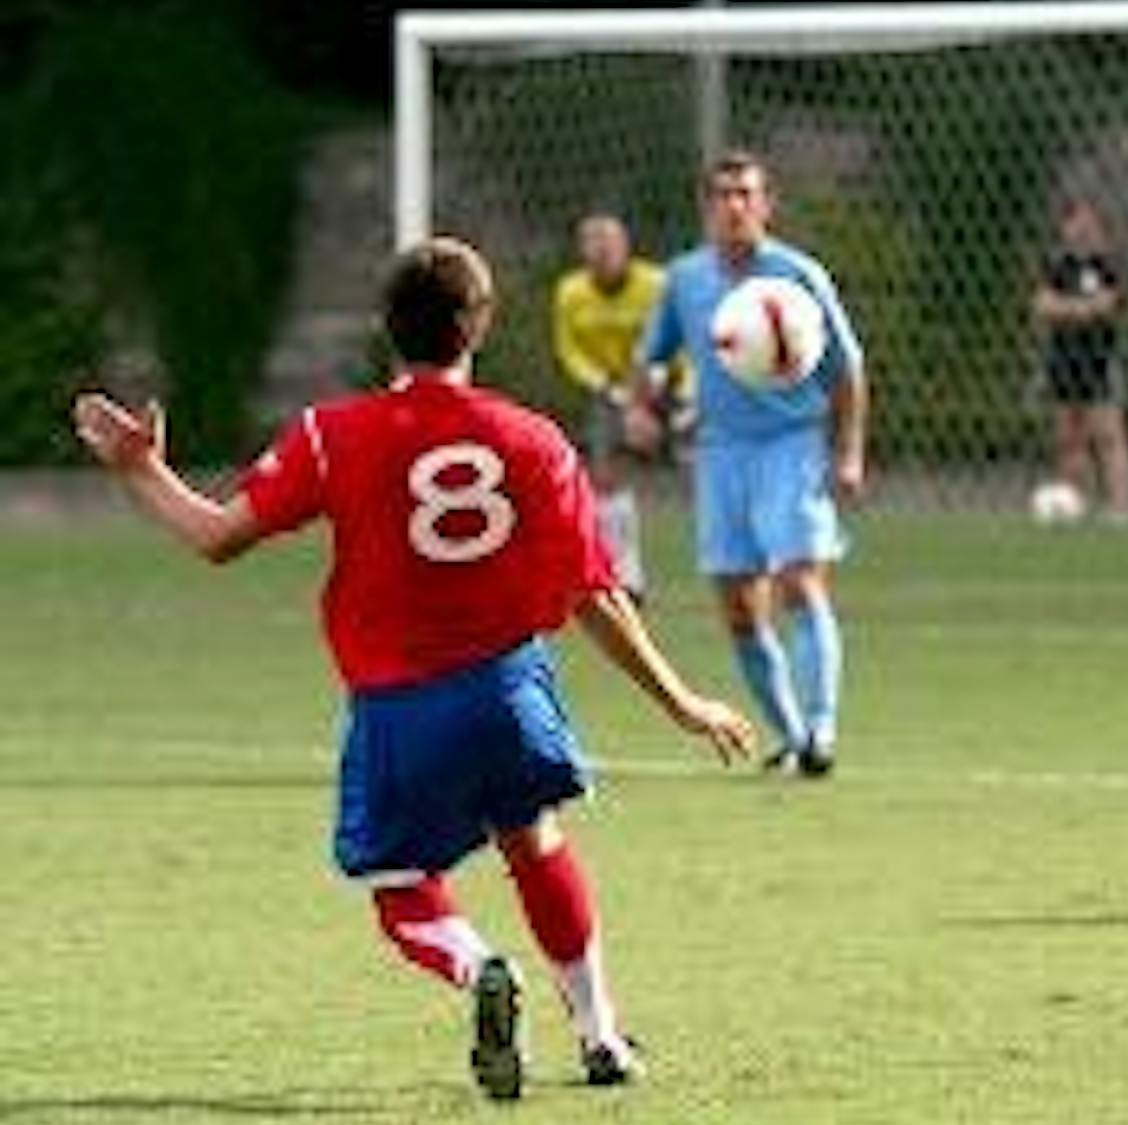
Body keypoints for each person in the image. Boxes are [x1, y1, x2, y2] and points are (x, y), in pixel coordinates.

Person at [72, 236, 754, 1101]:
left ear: (385, 330)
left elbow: (216, 537)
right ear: (483, 327)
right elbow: (596, 595)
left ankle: (481, 969)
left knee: (401, 888)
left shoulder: (331, 436)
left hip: (399, 708)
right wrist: (683, 700)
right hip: (512, 693)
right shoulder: (536, 440)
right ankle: (602, 1033)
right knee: (536, 841)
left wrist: (141, 468)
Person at [633, 149, 868, 778]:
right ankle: (791, 737)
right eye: (722, 195)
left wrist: (847, 452)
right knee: (739, 606)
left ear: (766, 205)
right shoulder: (684, 279)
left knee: (798, 580)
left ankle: (821, 728)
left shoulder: (798, 275)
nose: (734, 206)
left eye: (746, 194)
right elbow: (652, 359)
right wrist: (643, 403)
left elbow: (847, 369)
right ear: (706, 208)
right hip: (720, 453)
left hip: (792, 444)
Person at [552, 211, 692, 602]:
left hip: (670, 384)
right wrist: (611, 389)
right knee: (608, 477)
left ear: (625, 247)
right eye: (592, 243)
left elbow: (680, 337)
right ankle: (626, 577)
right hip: (610, 390)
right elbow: (569, 350)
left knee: (706, 463)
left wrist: (670, 392)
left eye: (609, 243)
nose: (602, 251)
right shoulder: (570, 292)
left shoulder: (657, 284)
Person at [1032, 198, 1128, 521]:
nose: (1081, 230)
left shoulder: (1107, 266)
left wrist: (1074, 310)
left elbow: (1109, 304)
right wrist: (1081, 310)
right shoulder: (1056, 266)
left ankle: (1121, 506)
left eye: (1088, 224)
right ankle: (1075, 501)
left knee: (1108, 434)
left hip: (1098, 362)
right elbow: (1044, 305)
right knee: (1068, 437)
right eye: (1075, 223)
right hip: (1063, 362)